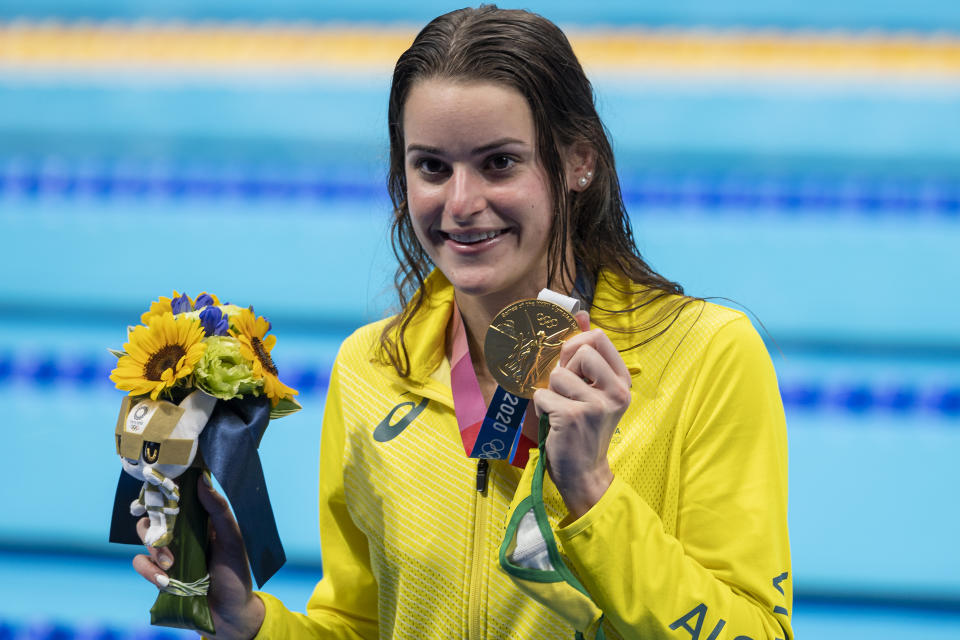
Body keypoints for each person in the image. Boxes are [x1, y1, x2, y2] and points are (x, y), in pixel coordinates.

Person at [134, 6, 793, 639]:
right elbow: (361, 627)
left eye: (499, 162)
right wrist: (246, 625)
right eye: (432, 167)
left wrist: (594, 494)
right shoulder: (371, 370)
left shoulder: (704, 357)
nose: (462, 203)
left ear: (577, 161)